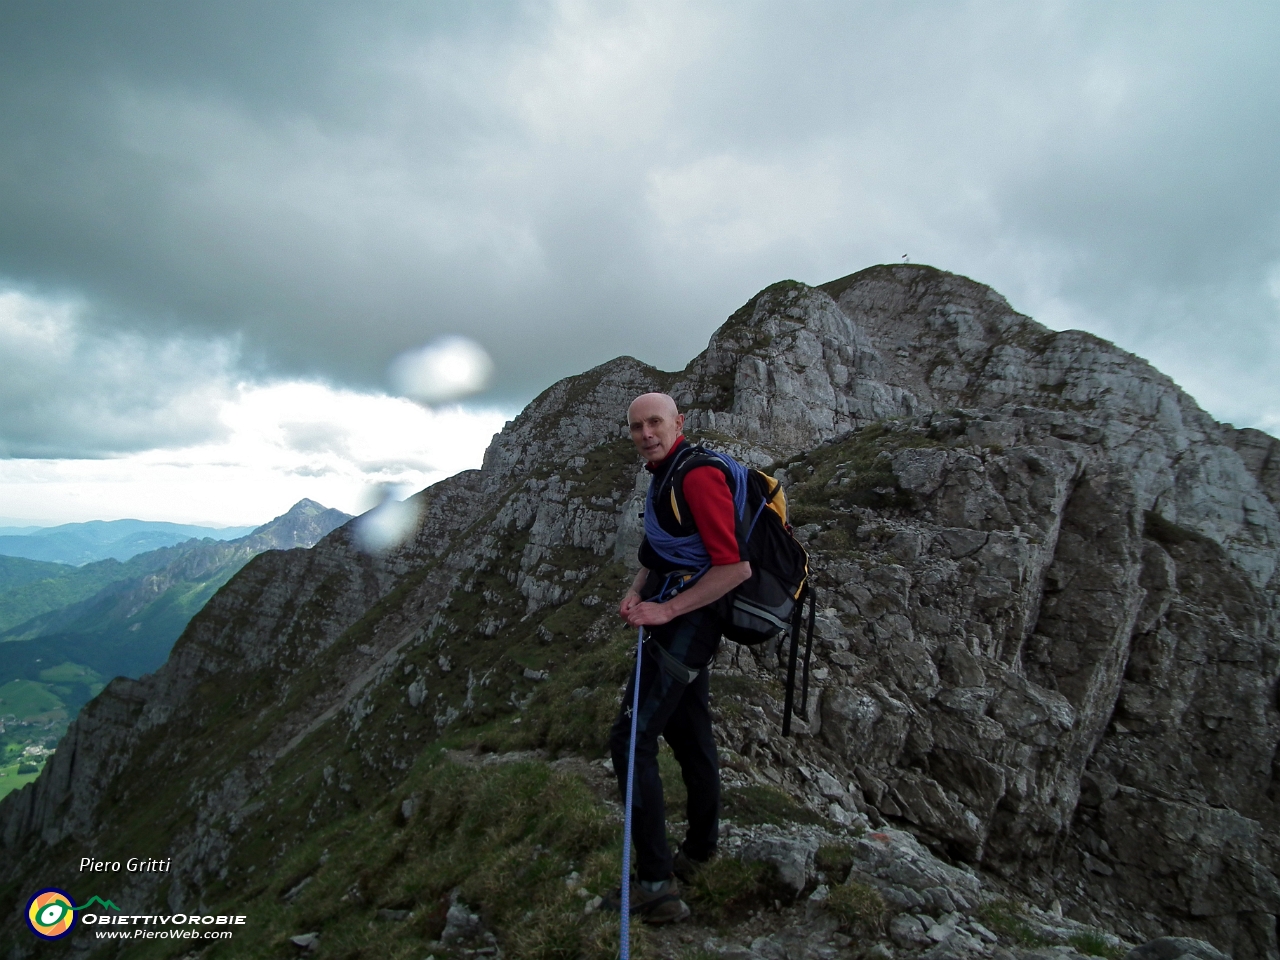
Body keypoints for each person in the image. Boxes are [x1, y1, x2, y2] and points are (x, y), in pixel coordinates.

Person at [606, 392, 751, 924]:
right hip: (676, 613)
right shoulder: (664, 472)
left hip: (689, 624)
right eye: (637, 426)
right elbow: (662, 550)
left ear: (678, 423)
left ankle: (654, 885)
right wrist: (638, 589)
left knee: (630, 738)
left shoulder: (695, 476)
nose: (646, 433)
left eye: (656, 423)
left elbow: (734, 568)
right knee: (690, 734)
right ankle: (702, 851)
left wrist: (666, 614)